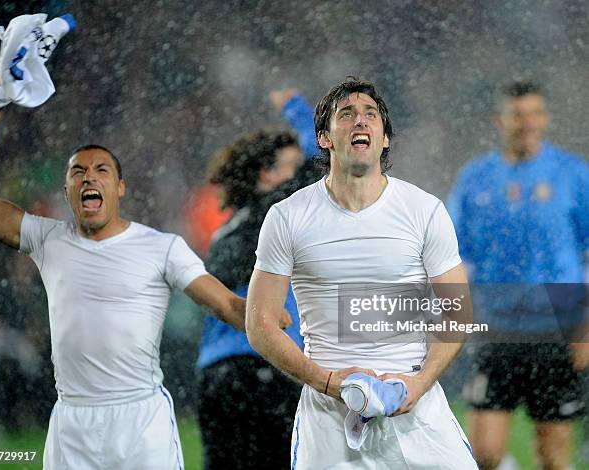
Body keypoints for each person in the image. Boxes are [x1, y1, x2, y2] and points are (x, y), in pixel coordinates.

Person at [0, 75, 288, 470]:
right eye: (78, 172)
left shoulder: (162, 247)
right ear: (68, 189)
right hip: (73, 420)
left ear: (120, 187)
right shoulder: (47, 238)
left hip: (140, 420)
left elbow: (225, 303)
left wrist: (264, 318)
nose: (89, 176)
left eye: (101, 170)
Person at [246, 76, 477, 469]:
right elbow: (259, 325)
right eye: (346, 114)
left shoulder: (424, 210)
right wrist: (329, 383)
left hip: (415, 408)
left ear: (384, 138)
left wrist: (417, 385)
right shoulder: (287, 218)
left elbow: (459, 314)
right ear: (324, 138)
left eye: (371, 115)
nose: (360, 122)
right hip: (329, 417)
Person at [448, 81, 588, 470]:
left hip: (557, 330)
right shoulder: (475, 178)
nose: (526, 123)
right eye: (517, 114)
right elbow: (451, 252)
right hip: (497, 328)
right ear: (500, 120)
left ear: (544, 118)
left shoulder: (573, 175)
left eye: (534, 113)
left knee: (555, 458)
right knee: (483, 454)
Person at [196, 90, 321, 469]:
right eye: (290, 166)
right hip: (264, 368)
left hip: (215, 376)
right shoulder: (272, 215)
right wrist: (296, 108)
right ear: (268, 175)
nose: (299, 175)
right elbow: (322, 158)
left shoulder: (230, 227)